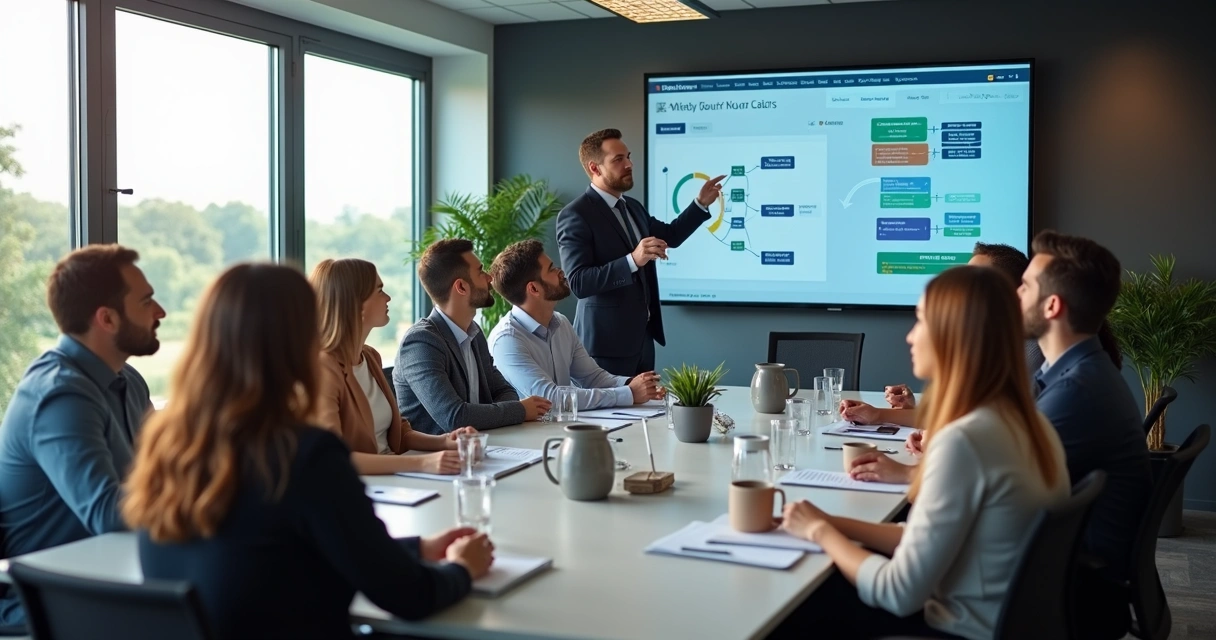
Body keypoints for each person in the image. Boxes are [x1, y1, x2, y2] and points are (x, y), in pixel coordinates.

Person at [124, 263, 494, 640]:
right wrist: (462, 568)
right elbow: (409, 596)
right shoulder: (306, 455)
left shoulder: (167, 445)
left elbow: (273, 550)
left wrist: (416, 548)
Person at [772, 265, 1068, 640]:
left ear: (953, 337)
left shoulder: (965, 441)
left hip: (956, 629)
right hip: (1003, 621)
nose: (910, 337)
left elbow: (898, 592)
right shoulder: (1031, 424)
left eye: (920, 321)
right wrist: (830, 522)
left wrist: (818, 532)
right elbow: (921, 539)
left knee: (796, 605)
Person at [0, 245, 163, 627]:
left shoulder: (129, 381)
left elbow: (162, 472)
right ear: (107, 319)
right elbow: (108, 513)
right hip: (49, 605)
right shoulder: (59, 394)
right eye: (147, 301)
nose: (160, 312)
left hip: (112, 579)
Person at [556, 128, 725, 376]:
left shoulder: (633, 207)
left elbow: (672, 235)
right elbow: (579, 282)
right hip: (605, 347)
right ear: (595, 168)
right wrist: (633, 260)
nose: (629, 164)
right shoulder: (576, 215)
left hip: (643, 343)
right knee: (609, 416)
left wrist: (700, 203)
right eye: (618, 159)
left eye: (628, 156)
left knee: (643, 415)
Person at [310, 258, 478, 475]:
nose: (388, 297)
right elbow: (332, 458)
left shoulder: (370, 357)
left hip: (392, 480)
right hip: (361, 489)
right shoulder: (322, 368)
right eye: (379, 290)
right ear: (356, 303)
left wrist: (446, 442)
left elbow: (399, 434)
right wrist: (424, 464)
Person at [394, 239, 550, 435]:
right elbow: (454, 417)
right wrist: (520, 410)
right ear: (461, 287)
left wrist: (490, 414)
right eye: (480, 271)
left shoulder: (474, 333)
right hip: (436, 457)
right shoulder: (421, 342)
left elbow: (504, 391)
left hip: (484, 445)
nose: (489, 278)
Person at [487, 240, 664, 409]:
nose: (561, 271)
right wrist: (628, 394)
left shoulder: (561, 323)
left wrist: (633, 384)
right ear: (534, 289)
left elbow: (593, 378)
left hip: (560, 429)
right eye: (552, 269)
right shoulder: (507, 340)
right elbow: (551, 400)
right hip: (529, 437)